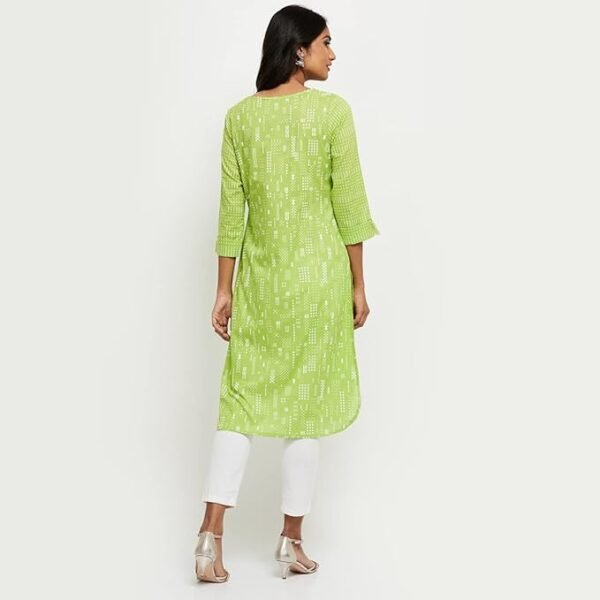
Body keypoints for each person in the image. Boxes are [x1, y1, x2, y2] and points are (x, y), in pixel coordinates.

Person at [194, 5, 380, 583]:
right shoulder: (331, 113)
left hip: (261, 282)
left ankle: (208, 538)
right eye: (325, 42)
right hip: (319, 281)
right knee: (307, 408)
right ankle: (290, 543)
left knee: (240, 402)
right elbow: (349, 206)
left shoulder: (240, 119)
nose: (332, 53)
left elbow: (232, 215)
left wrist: (223, 290)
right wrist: (358, 283)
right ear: (298, 50)